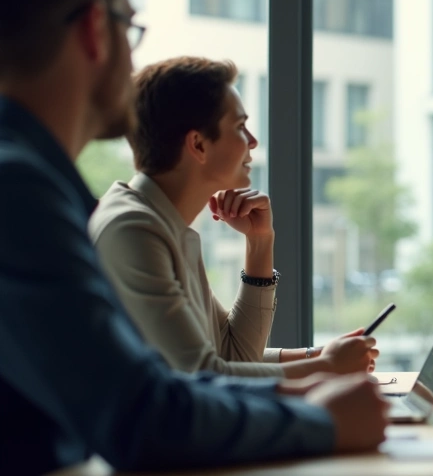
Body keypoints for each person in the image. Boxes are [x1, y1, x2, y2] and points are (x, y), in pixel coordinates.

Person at [0, 0, 388, 476]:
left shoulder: (40, 186)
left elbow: (193, 372)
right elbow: (147, 411)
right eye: (130, 29)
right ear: (92, 31)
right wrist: (321, 415)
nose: (134, 57)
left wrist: (309, 365)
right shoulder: (24, 193)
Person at [90, 56, 379, 377]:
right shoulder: (133, 230)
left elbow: (232, 353)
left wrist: (260, 242)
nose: (253, 142)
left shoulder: (163, 223)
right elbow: (204, 376)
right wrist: (325, 367)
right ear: (198, 144)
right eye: (240, 127)